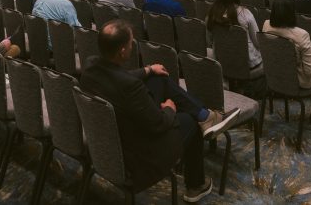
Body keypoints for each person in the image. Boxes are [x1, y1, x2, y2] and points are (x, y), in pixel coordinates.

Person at [79, 20, 239, 202]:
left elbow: (118, 76)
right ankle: (196, 185)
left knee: (158, 79)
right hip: (137, 153)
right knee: (189, 121)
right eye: (131, 43)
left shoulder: (90, 66)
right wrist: (170, 109)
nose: (133, 45)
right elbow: (159, 124)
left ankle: (206, 116)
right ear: (122, 51)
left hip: (113, 134)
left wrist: (148, 69)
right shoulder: (130, 87)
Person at [206, 0, 262, 71]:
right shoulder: (246, 14)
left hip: (221, 61)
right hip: (247, 63)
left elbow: (209, 40)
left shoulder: (212, 14)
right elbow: (257, 42)